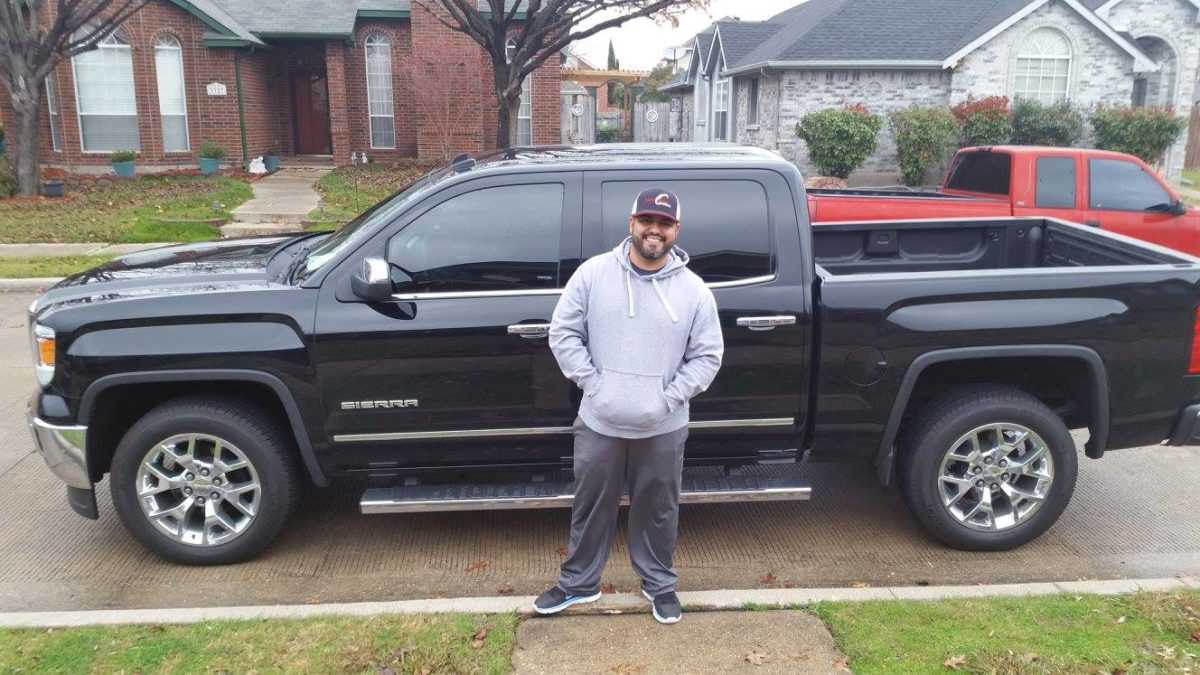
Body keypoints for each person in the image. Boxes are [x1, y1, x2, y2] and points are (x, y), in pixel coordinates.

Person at [533, 187, 724, 624]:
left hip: (663, 425)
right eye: (646, 220)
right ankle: (578, 584)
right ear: (631, 224)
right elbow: (563, 333)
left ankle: (659, 586)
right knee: (590, 505)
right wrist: (593, 385)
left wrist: (669, 397)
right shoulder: (593, 274)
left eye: (664, 223)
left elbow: (708, 355)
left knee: (658, 510)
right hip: (599, 420)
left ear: (676, 230)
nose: (654, 230)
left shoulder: (694, 291)